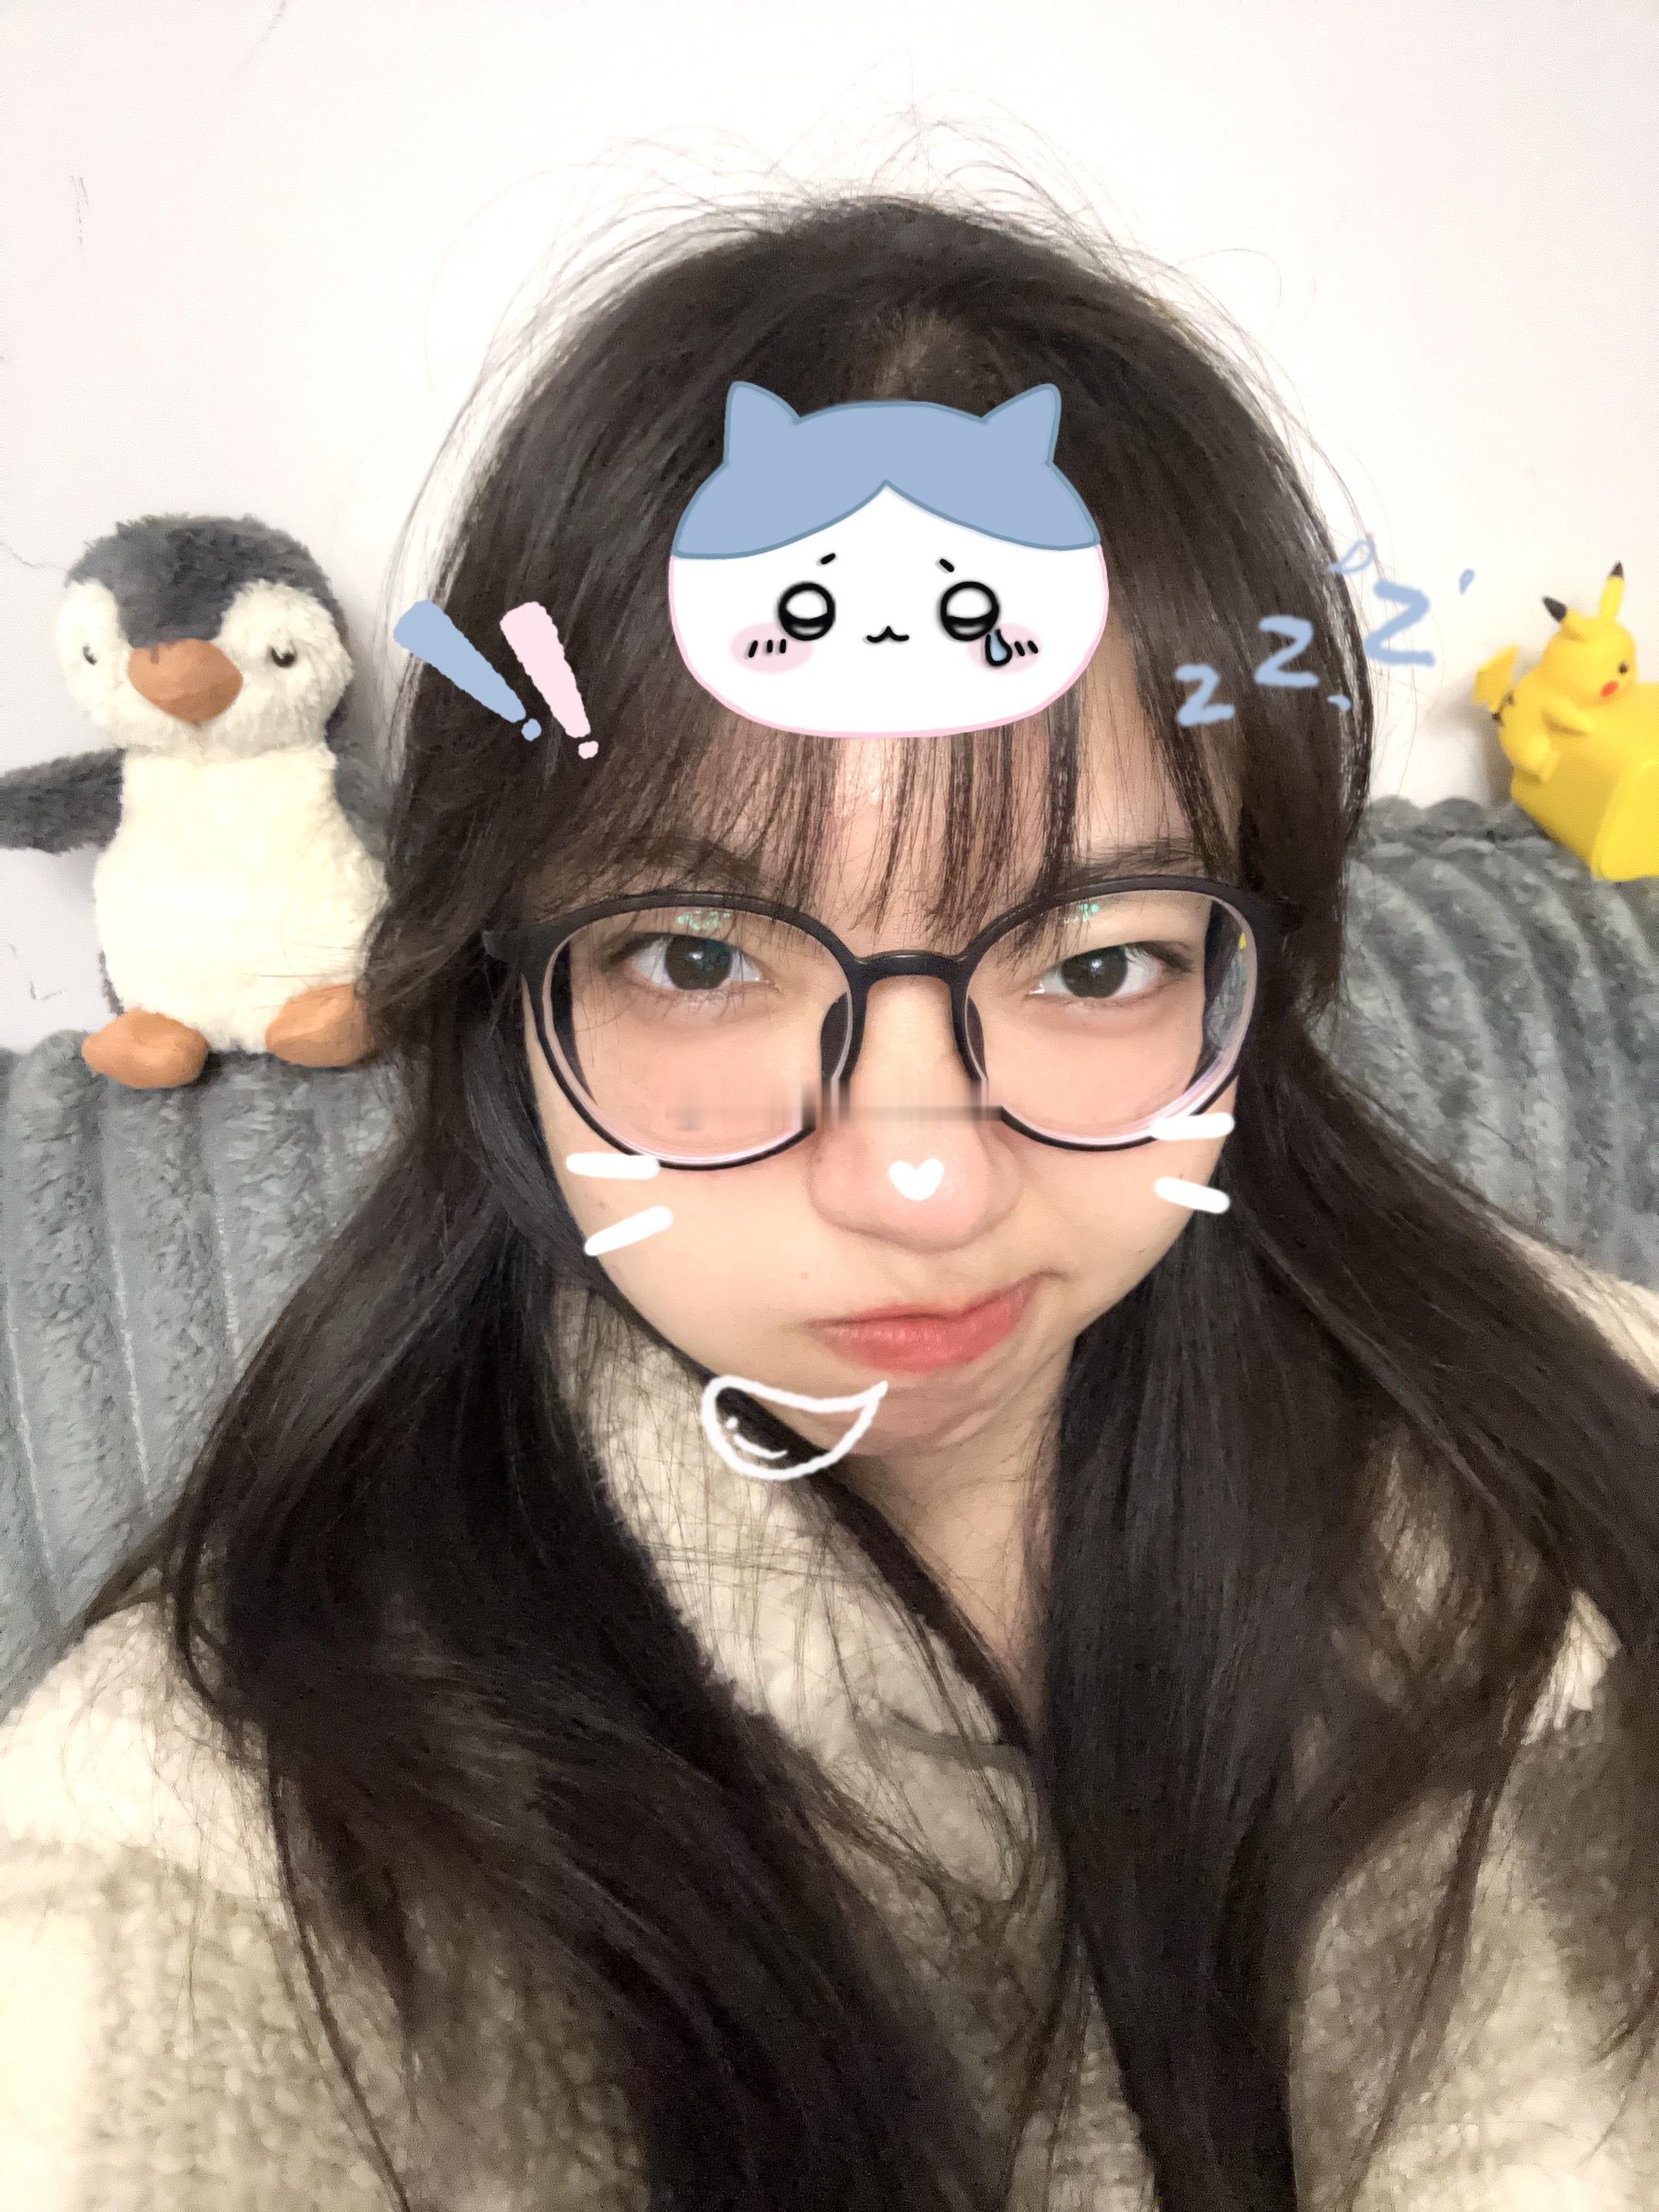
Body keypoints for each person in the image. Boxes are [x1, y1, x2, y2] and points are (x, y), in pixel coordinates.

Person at [3, 189, 1657, 2212]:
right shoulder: (207, 1841)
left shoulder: (1577, 1461)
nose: (920, 1180)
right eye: (700, 957)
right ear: (497, 989)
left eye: (1099, 960)